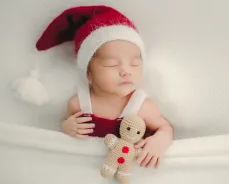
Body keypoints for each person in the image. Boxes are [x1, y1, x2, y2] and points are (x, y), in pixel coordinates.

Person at [35, 5, 173, 169]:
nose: (126, 71)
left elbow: (165, 127)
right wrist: (67, 127)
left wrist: (160, 140)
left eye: (135, 64)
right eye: (111, 64)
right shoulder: (79, 104)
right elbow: (65, 122)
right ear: (89, 74)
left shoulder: (142, 106)